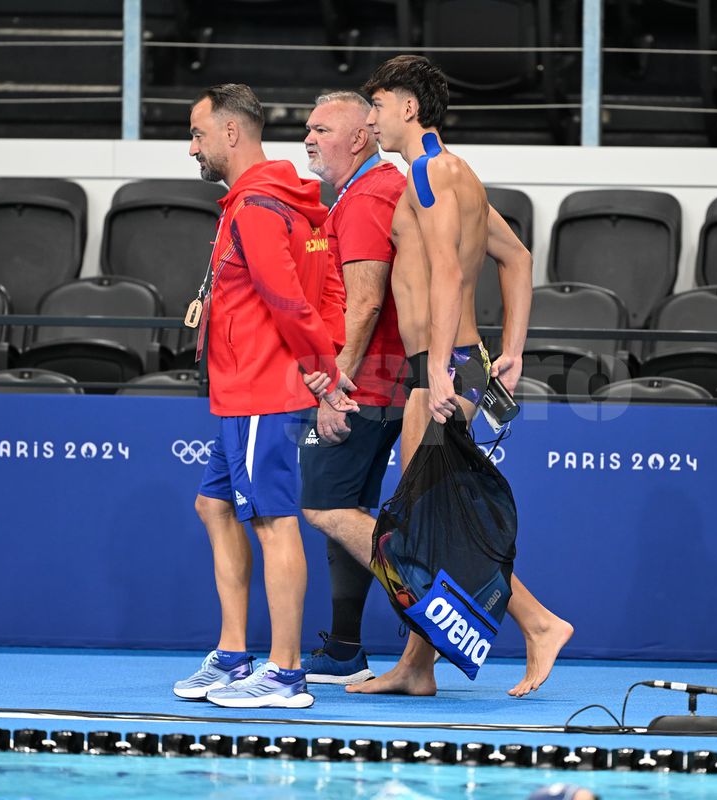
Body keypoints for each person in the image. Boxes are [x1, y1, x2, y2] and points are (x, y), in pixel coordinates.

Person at [308, 56, 574, 698]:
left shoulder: (428, 172)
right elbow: (516, 259)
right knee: (428, 518)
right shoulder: (461, 176)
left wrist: (436, 368)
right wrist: (509, 352)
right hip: (463, 363)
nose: (371, 118)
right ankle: (417, 666)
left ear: (408, 108)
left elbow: (452, 276)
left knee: (423, 524)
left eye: (378, 106)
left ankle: (539, 624)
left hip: (443, 372)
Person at [171, 83, 356, 709]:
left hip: (261, 388)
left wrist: (321, 373)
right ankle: (232, 655)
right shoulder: (287, 201)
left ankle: (285, 672)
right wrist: (325, 360)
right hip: (241, 387)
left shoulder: (257, 205)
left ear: (231, 134)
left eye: (198, 134)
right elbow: (330, 288)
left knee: (275, 524)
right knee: (213, 507)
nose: (192, 146)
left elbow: (287, 299)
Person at [298, 91, 407, 685]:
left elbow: (364, 304)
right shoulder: (380, 186)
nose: (309, 139)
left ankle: (425, 593)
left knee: (323, 507)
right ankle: (344, 647)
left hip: (369, 383)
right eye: (307, 130)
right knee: (350, 511)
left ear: (360, 136)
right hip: (391, 380)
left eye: (321, 129)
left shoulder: (367, 196)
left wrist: (335, 388)